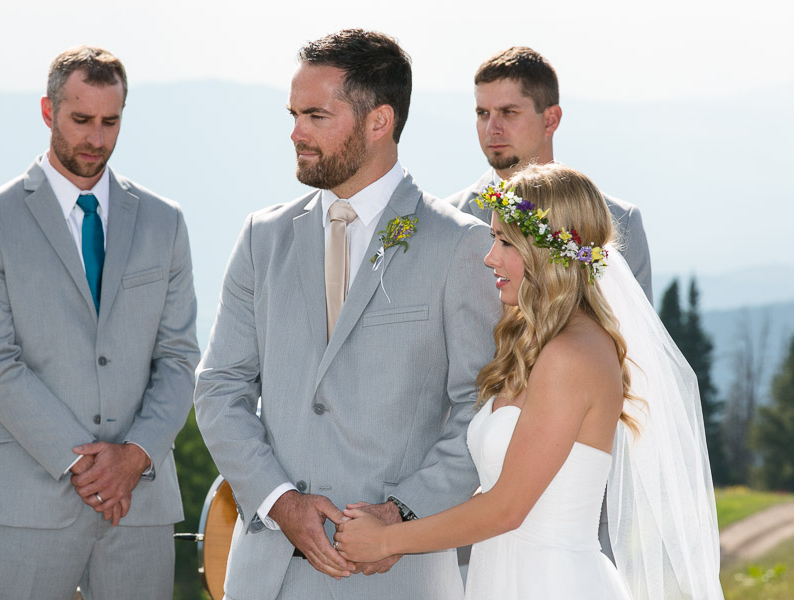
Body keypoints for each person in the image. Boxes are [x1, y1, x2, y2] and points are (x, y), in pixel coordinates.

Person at [193, 29, 499, 600]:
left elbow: (481, 408)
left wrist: (403, 515)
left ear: (379, 121)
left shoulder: (460, 245)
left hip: (396, 577)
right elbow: (219, 388)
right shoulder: (262, 238)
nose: (296, 132)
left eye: (316, 116)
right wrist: (280, 502)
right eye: (294, 115)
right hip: (267, 577)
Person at [335, 164, 723, 599]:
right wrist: (399, 515)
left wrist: (387, 541)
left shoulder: (571, 355)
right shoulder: (538, 345)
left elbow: (507, 508)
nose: (490, 257)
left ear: (548, 249)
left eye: (505, 242)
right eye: (493, 239)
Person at [0, 46, 199, 600]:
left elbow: (180, 358)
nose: (96, 138)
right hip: (22, 503)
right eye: (81, 119)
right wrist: (85, 464)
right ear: (48, 111)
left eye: (111, 122)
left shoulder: (164, 222)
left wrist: (134, 456)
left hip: (139, 503)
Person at [446, 46, 653, 303]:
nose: (492, 128)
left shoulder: (620, 220)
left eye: (508, 112)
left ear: (551, 119)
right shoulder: (447, 221)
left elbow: (628, 324)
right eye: (482, 113)